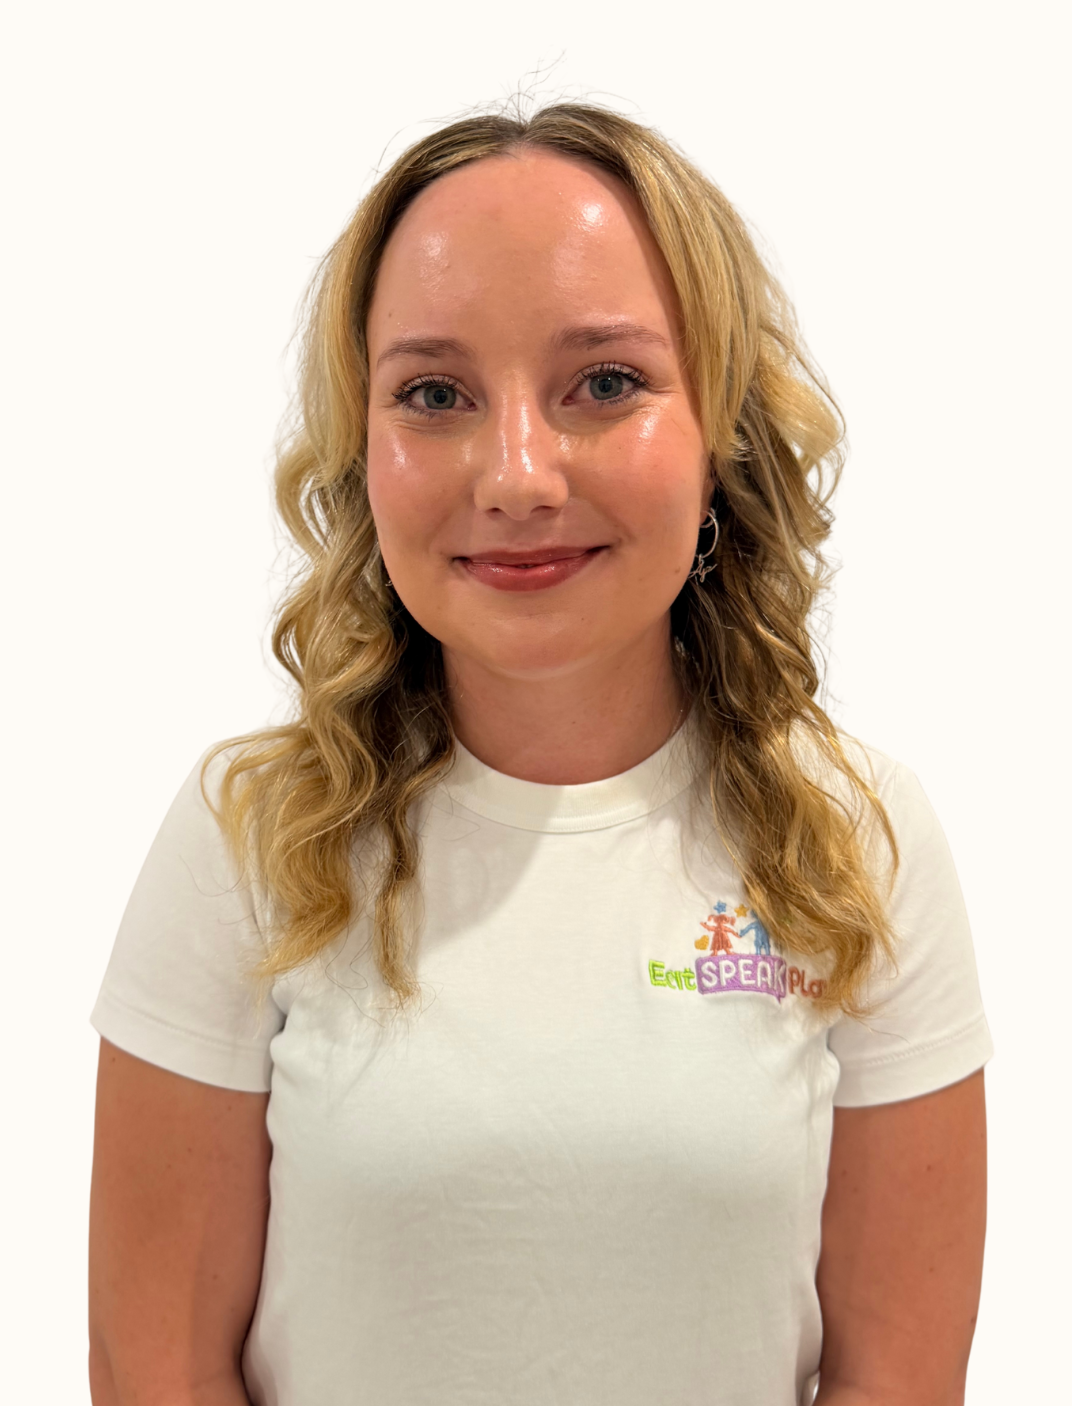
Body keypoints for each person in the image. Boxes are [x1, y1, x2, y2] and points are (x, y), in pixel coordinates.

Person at [87, 102, 992, 1406]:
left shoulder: (859, 842)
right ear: (364, 444)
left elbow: (898, 1379)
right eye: (436, 393)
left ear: (719, 421)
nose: (516, 474)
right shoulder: (252, 837)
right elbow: (151, 1367)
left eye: (605, 383)